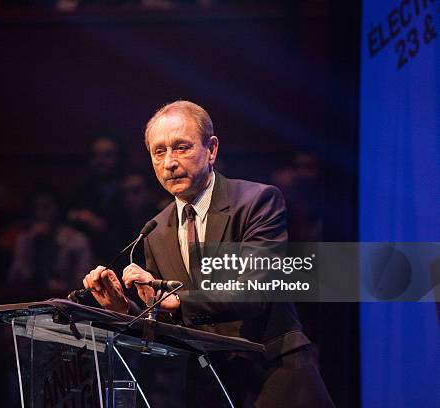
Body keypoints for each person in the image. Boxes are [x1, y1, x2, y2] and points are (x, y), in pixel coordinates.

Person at [82, 100, 333, 407]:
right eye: (159, 152)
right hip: (213, 386)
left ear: (211, 149)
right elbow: (172, 333)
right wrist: (125, 311)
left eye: (181, 147)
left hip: (277, 376)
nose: (170, 162)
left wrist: (176, 299)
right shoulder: (155, 231)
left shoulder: (256, 202)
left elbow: (255, 292)